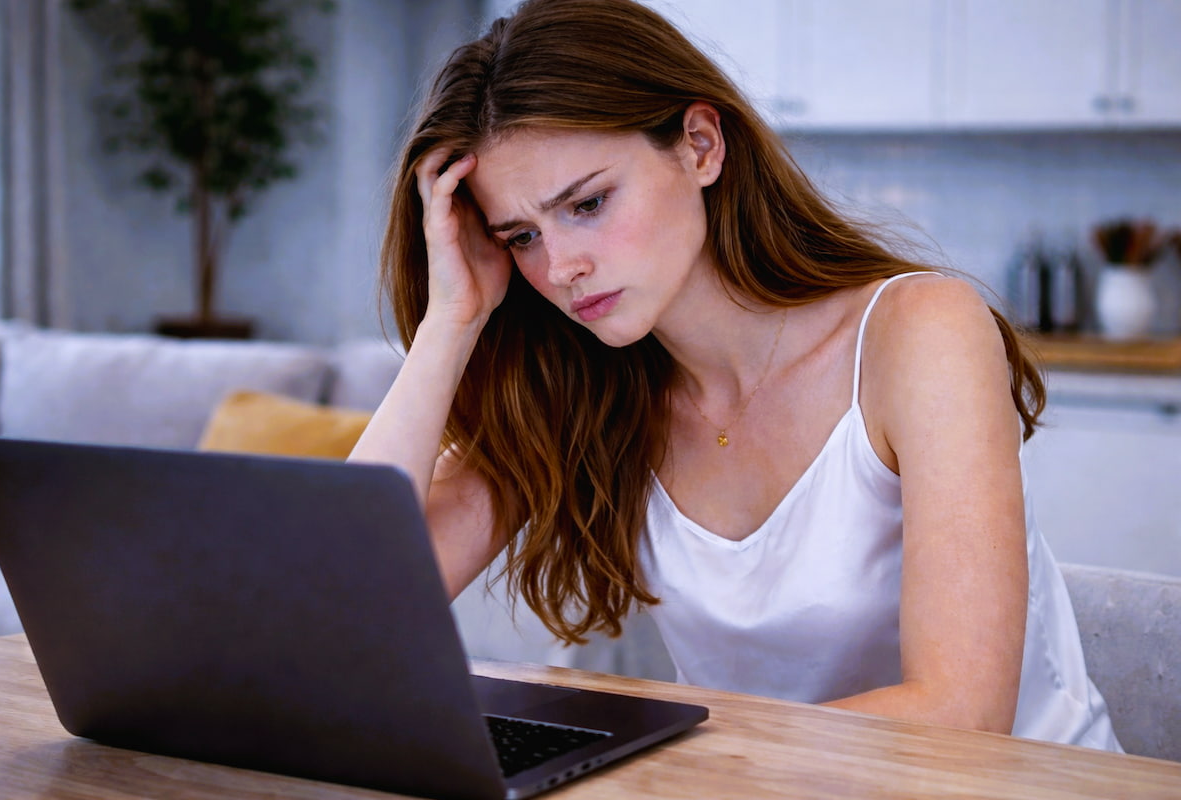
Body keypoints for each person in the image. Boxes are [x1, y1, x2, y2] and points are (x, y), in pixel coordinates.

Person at [349, 0, 1121, 751]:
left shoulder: (920, 334)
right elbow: (350, 612)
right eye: (520, 236)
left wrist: (661, 754)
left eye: (587, 203)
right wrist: (450, 325)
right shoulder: (583, 392)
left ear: (700, 145)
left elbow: (962, 718)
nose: (560, 267)